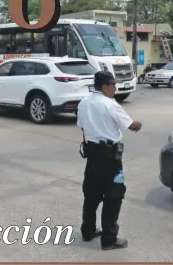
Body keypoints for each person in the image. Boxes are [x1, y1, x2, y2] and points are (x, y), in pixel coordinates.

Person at [76, 71, 142, 250]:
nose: (115, 88)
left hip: (93, 156)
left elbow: (81, 125)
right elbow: (131, 125)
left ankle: (88, 232)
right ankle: (109, 239)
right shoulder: (110, 104)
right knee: (114, 196)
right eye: (113, 85)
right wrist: (138, 124)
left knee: (91, 195)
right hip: (110, 158)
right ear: (104, 87)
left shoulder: (84, 102)